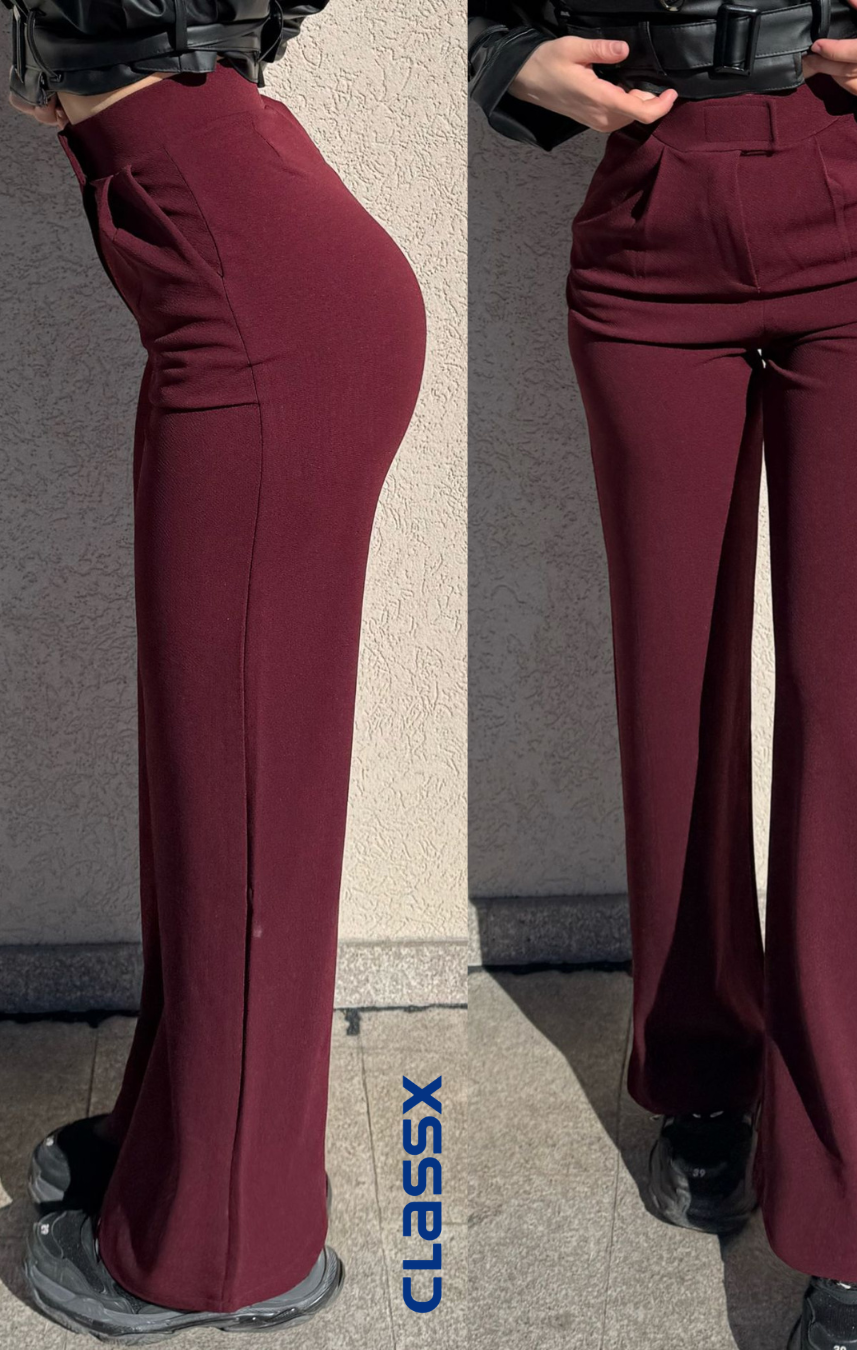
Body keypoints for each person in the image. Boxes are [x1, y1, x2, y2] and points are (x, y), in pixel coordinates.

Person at [469, 0, 857, 1345]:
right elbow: (498, 21)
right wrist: (510, 59)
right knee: (676, 688)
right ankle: (705, 1065)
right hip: (649, 233)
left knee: (849, 713)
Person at [5, 1, 426, 1337]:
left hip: (269, 324)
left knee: (244, 818)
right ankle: (178, 1143)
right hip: (233, 292)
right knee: (206, 795)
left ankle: (227, 1253)